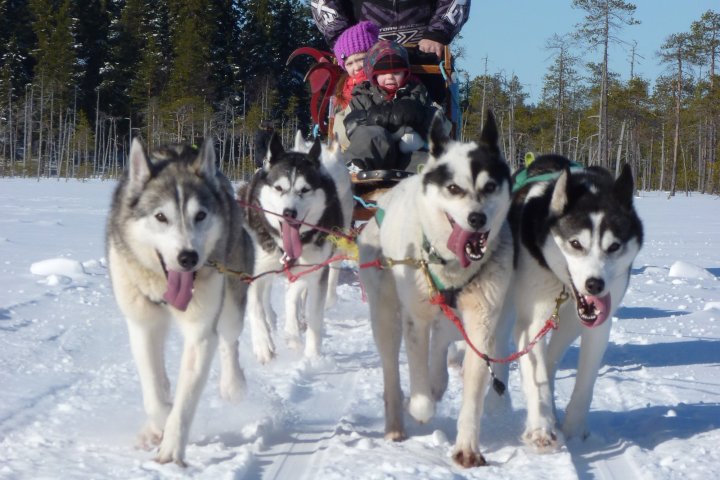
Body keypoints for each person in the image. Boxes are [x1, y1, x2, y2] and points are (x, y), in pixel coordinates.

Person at [310, 0, 471, 103]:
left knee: (434, 114)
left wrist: (438, 33)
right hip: (363, 52)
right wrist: (344, 40)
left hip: (424, 53)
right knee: (354, 112)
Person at [343, 40, 448, 171]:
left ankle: (426, 178)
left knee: (424, 157)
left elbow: (441, 124)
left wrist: (421, 114)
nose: (390, 77)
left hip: (408, 154)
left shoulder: (417, 93)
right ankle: (354, 165)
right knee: (371, 134)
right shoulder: (363, 95)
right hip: (374, 155)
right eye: (383, 73)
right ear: (373, 75)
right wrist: (369, 118)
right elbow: (351, 124)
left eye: (396, 72)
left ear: (405, 73)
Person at [330, 20, 380, 150]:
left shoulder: (383, 79)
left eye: (361, 60)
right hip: (349, 145)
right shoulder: (343, 87)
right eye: (349, 64)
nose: (356, 67)